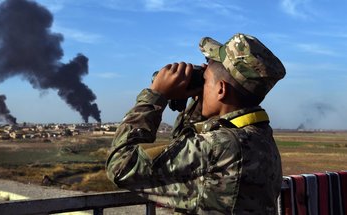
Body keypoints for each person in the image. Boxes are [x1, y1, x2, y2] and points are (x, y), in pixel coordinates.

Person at [106, 33, 286, 214]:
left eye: (205, 80)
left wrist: (155, 96)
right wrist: (200, 101)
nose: (201, 83)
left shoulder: (220, 146)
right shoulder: (261, 138)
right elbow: (183, 150)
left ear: (221, 90)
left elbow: (121, 166)